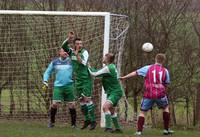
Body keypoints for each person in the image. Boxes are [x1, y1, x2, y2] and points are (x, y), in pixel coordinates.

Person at [120, 53, 173, 135]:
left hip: (149, 94)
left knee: (142, 112)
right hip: (160, 94)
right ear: (163, 61)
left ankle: (139, 131)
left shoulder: (148, 68)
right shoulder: (165, 70)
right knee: (166, 108)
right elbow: (166, 83)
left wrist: (124, 77)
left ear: (155, 59)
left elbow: (135, 73)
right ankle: (166, 129)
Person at [61, 32, 96, 130]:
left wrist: (77, 55)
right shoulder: (71, 52)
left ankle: (93, 121)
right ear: (74, 45)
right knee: (81, 100)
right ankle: (87, 119)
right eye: (77, 44)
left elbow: (83, 63)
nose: (80, 45)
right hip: (78, 80)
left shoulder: (85, 52)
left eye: (81, 43)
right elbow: (63, 46)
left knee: (87, 99)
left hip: (86, 79)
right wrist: (69, 38)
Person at [88, 53, 123, 133]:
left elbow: (94, 74)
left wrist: (88, 67)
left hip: (115, 92)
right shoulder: (110, 67)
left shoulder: (108, 68)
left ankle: (108, 128)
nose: (103, 58)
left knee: (105, 107)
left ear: (107, 59)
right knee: (111, 110)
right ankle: (118, 129)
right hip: (114, 91)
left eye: (104, 57)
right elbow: (99, 73)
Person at [42, 48, 77, 128]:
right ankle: (52, 122)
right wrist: (45, 81)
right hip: (58, 86)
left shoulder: (71, 61)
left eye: (66, 51)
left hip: (69, 86)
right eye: (63, 51)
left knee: (72, 105)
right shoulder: (55, 62)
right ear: (59, 52)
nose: (65, 52)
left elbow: (80, 64)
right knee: (54, 104)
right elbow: (47, 72)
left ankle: (73, 124)